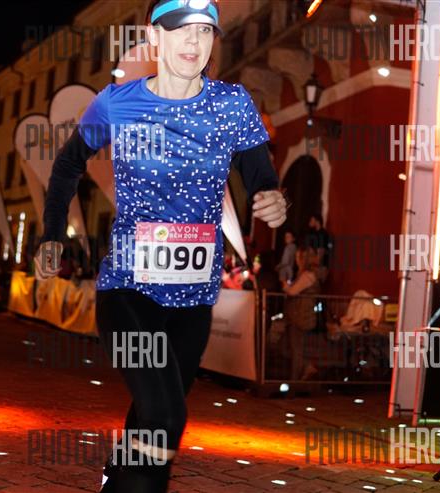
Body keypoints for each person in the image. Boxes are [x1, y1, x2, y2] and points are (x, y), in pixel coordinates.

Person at [35, 1, 287, 491]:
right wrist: (51, 234)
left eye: (205, 31)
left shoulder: (232, 105)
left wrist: (272, 197)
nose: (194, 42)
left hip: (194, 299)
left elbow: (261, 174)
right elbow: (67, 165)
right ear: (154, 37)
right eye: (180, 30)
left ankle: (116, 481)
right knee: (166, 414)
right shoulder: (116, 103)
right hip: (129, 290)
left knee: (150, 414)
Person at [282, 246, 321, 380]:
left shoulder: (307, 275)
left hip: (300, 315)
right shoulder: (306, 274)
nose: (296, 260)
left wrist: (285, 285)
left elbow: (293, 291)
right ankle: (304, 369)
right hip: (300, 314)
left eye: (298, 257)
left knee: (296, 349)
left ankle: (296, 378)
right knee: (294, 347)